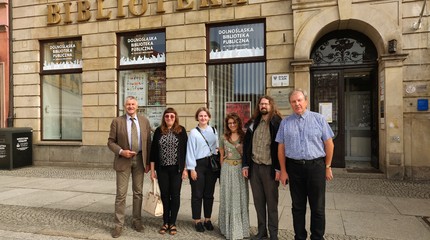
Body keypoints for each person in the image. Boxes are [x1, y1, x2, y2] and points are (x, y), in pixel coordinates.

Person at [276, 88, 334, 240]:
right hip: (294, 168)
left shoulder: (319, 119)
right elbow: (281, 148)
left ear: (306, 101)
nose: (297, 104)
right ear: (290, 104)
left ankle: (317, 237)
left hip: (316, 167)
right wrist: (283, 170)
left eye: (299, 100)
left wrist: (327, 166)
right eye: (293, 101)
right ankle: (299, 237)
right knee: (297, 207)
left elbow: (329, 144)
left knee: (318, 208)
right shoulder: (285, 123)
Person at [107, 96, 152, 238]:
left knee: (138, 192)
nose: (130, 106)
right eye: (128, 104)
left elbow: (148, 143)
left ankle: (137, 221)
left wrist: (149, 163)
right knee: (121, 195)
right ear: (124, 106)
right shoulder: (117, 121)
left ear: (137, 106)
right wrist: (121, 151)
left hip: (139, 160)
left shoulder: (144, 121)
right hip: (123, 160)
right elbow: (110, 142)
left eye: (133, 104)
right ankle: (118, 225)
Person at [242, 95, 282, 240]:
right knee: (258, 202)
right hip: (255, 168)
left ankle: (274, 234)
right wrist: (245, 164)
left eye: (266, 104)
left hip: (269, 169)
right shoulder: (254, 122)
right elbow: (246, 145)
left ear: (271, 105)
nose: (263, 106)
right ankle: (261, 231)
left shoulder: (277, 122)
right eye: (261, 104)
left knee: (272, 204)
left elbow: (280, 147)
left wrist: (279, 169)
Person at [150, 108, 188, 236]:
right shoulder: (158, 131)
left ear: (175, 117)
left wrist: (185, 169)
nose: (169, 118)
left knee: (175, 195)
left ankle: (173, 223)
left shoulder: (181, 131)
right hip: (162, 170)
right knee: (165, 196)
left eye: (172, 116)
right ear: (164, 118)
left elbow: (186, 152)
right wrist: (152, 171)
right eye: (167, 116)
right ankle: (165, 222)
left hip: (177, 169)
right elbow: (153, 152)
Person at [186, 107, 219, 233]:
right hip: (198, 164)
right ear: (197, 118)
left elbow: (216, 147)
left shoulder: (213, 130)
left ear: (209, 117)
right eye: (201, 116)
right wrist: (191, 169)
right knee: (197, 194)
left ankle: (207, 219)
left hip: (211, 164)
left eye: (205, 116)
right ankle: (197, 220)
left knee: (209, 194)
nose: (203, 118)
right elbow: (190, 151)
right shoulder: (193, 133)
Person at [218, 113, 250, 240]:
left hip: (240, 170)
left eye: (234, 123)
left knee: (240, 198)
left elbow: (247, 154)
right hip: (227, 169)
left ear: (238, 123)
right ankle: (227, 227)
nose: (232, 125)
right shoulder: (223, 137)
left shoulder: (244, 136)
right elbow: (221, 155)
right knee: (227, 197)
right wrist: (223, 170)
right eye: (229, 123)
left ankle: (240, 228)